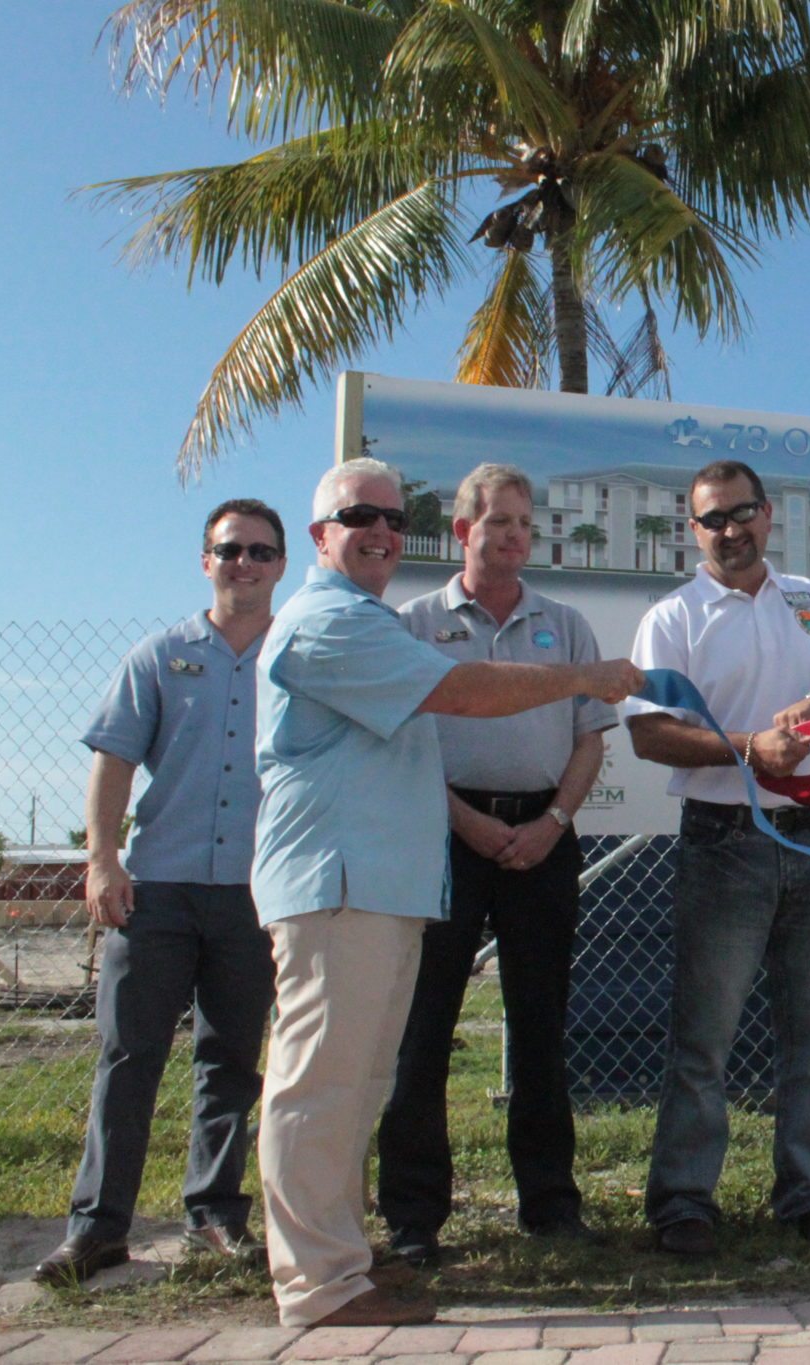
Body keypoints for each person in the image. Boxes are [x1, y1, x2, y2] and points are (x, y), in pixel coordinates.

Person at [253, 458, 641, 1327]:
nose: (383, 531)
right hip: (339, 884)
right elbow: (458, 692)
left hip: (385, 887)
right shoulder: (331, 623)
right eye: (360, 517)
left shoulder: (369, 620)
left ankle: (344, 1264)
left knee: (355, 1084)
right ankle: (316, 1283)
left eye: (394, 518)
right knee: (320, 1084)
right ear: (321, 536)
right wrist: (583, 677)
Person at [624, 459, 810, 1256]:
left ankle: (806, 1195)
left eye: (744, 513)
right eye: (714, 519)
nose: (731, 530)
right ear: (693, 528)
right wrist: (750, 747)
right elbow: (647, 732)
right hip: (724, 841)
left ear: (769, 516)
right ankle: (683, 1205)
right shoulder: (672, 616)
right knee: (703, 1040)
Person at [35, 500, 291, 1287]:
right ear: (204, 560)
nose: (242, 563)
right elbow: (112, 759)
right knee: (129, 1054)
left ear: (282, 563)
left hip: (255, 893)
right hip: (159, 892)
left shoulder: (297, 654)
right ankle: (98, 1227)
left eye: (259, 551)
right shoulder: (158, 655)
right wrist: (103, 859)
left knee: (230, 1059)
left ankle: (214, 1216)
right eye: (228, 550)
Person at [376, 464, 615, 1268]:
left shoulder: (567, 625)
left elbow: (590, 738)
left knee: (541, 1026)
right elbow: (404, 744)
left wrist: (553, 821)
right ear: (461, 533)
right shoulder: (413, 624)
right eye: (498, 522)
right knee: (426, 1027)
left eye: (524, 522)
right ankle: (413, 1218)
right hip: (446, 838)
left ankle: (550, 1205)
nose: (514, 535)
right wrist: (469, 823)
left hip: (543, 840)